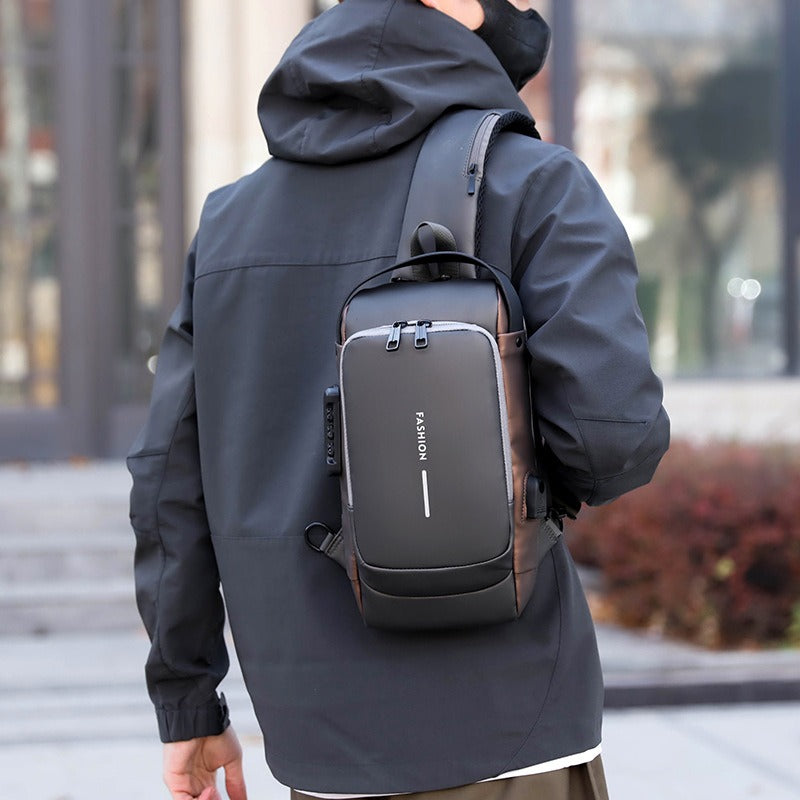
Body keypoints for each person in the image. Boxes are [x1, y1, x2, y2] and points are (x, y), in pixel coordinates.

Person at [127, 1, 670, 798]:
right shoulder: (536, 184)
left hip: (319, 742)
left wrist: (187, 702)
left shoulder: (228, 224)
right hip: (509, 723)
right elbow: (614, 435)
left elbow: (166, 482)